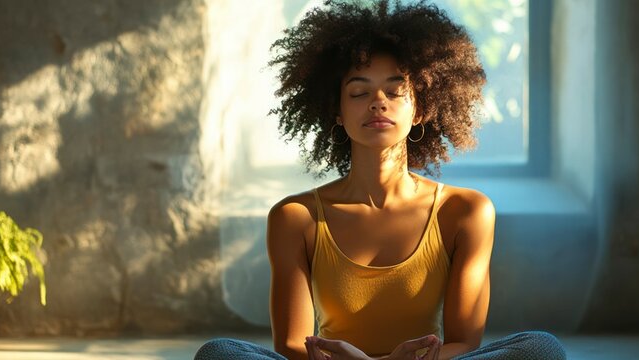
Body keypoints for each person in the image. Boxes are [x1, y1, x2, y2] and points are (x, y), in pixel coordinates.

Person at [195, 0, 566, 359]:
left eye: (394, 90)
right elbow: (292, 346)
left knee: (539, 348)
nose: (377, 102)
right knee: (221, 353)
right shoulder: (295, 217)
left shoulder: (465, 211)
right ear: (336, 111)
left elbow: (464, 343)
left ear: (420, 109)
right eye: (358, 92)